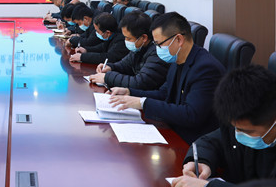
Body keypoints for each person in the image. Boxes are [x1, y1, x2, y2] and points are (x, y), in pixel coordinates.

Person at [109, 12, 226, 144]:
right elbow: (164, 93)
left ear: (179, 40)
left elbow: (191, 115)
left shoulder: (205, 69)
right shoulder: (177, 59)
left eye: (159, 44)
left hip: (192, 141)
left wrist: (143, 103)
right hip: (173, 129)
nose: (157, 49)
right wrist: (130, 92)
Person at [172, 65, 276, 187]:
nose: (238, 134)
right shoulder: (241, 122)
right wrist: (202, 161)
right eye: (236, 128)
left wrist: (208, 186)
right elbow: (211, 142)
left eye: (247, 131)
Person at [89, 11, 169, 90]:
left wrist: (107, 77)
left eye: (129, 38)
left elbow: (140, 82)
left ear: (144, 38)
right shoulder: (139, 48)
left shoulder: (157, 53)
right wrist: (110, 67)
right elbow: (124, 65)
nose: (126, 41)